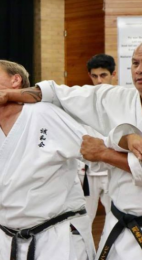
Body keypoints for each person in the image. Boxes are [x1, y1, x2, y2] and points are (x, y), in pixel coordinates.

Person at [0, 40, 142, 260]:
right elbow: (59, 94)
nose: (140, 69)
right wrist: (10, 95)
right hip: (120, 223)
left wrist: (103, 152)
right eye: (135, 63)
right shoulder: (115, 98)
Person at [0, 60, 96, 260]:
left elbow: (97, 150)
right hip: (7, 238)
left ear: (15, 80)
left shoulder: (45, 114)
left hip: (56, 237)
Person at [78, 54, 116, 225]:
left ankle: (112, 253)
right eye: (95, 76)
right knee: (84, 220)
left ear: (113, 75)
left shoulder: (124, 101)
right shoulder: (81, 101)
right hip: (88, 171)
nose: (99, 81)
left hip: (113, 169)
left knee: (116, 218)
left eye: (103, 75)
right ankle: (85, 253)